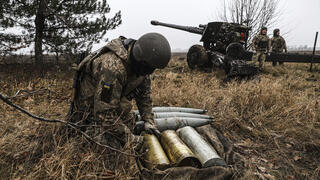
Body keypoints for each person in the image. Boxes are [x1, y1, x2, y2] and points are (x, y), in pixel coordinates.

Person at [69, 33, 171, 145]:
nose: (149, 72)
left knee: (129, 123)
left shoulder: (142, 66)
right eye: (149, 68)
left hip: (111, 104)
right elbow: (104, 113)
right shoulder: (112, 68)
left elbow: (144, 97)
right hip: (90, 112)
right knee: (111, 143)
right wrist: (129, 138)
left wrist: (148, 121)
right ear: (141, 61)